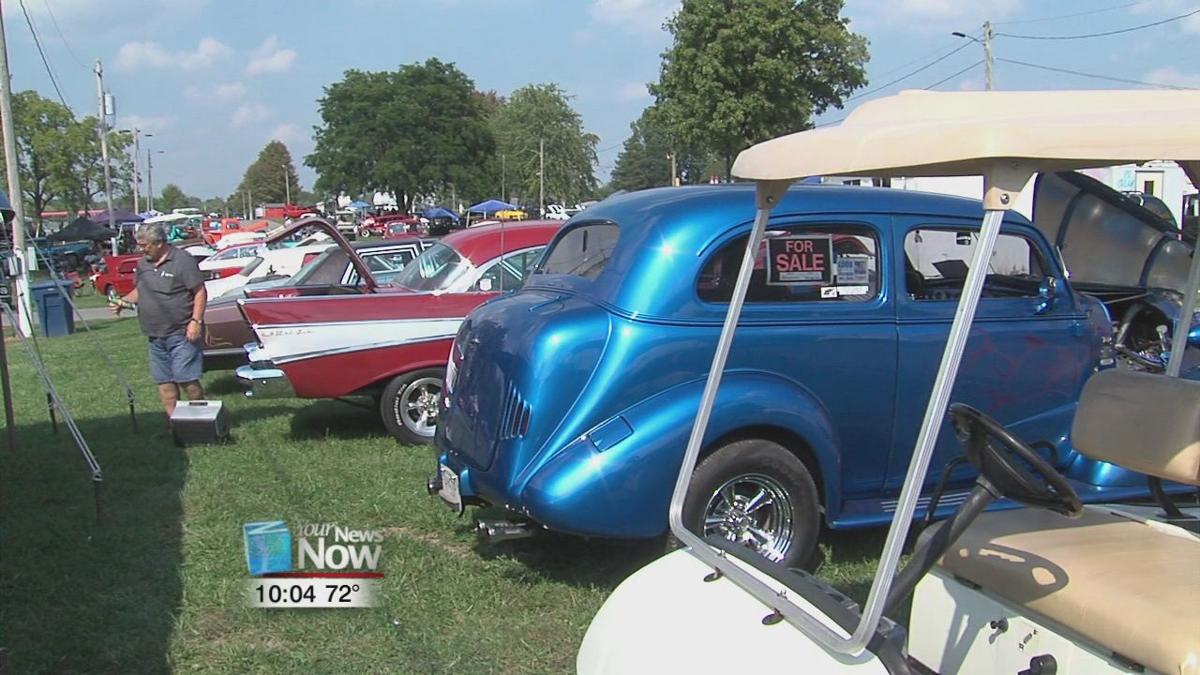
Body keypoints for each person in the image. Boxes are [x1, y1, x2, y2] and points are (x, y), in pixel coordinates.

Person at [111, 221, 208, 420]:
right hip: (155, 335)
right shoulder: (143, 264)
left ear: (159, 243)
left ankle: (200, 419)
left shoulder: (182, 261)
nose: (141, 249)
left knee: (186, 378)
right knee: (165, 384)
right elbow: (141, 290)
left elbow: (200, 291)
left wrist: (195, 322)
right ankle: (173, 424)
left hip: (182, 332)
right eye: (140, 244)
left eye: (145, 245)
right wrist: (124, 300)